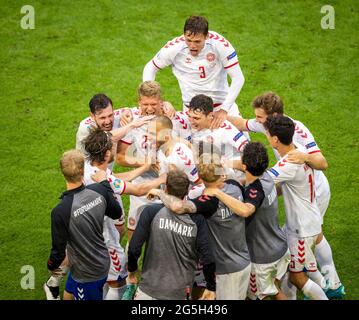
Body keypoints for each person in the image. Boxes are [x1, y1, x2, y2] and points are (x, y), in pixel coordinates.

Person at [228, 92, 344, 298]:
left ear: (273, 124)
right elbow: (243, 123)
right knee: (302, 266)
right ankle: (329, 286)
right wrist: (218, 115)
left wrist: (228, 168)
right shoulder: (286, 139)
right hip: (304, 208)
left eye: (260, 118)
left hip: (306, 212)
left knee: (297, 274)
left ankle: (331, 287)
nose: (257, 122)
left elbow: (264, 179)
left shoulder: (293, 153)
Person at [148, 153, 251, 300]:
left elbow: (178, 207)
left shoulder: (207, 201)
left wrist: (159, 192)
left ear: (201, 179)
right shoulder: (234, 185)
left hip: (227, 270)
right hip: (244, 260)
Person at [83, 128, 167, 300]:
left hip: (88, 232)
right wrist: (163, 179)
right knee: (117, 282)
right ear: (107, 154)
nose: (116, 148)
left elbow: (117, 177)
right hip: (105, 237)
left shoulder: (89, 169)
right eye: (113, 146)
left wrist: (144, 167)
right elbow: (137, 190)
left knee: (101, 278)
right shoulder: (104, 179)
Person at [204, 142, 290, 300]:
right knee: (274, 289)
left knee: (262, 296)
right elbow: (241, 166)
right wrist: (223, 164)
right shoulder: (267, 176)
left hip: (263, 256)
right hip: (279, 245)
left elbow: (245, 210)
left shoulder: (254, 191)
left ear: (245, 166)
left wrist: (217, 192)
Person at [117, 81, 191, 241]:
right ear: (139, 102)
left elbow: (188, 147)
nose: (149, 109)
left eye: (154, 104)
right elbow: (121, 157)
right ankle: (133, 265)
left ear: (161, 101)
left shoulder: (173, 118)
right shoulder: (131, 120)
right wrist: (145, 163)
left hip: (170, 188)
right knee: (134, 236)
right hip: (141, 187)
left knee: (169, 237)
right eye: (145, 104)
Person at [264, 115, 328, 300]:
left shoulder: (288, 163)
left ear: (275, 139)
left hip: (302, 228)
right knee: (288, 270)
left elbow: (261, 182)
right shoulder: (298, 150)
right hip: (307, 222)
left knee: (297, 276)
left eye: (268, 135)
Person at [126, 169, 216, 300]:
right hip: (179, 293)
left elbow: (134, 248)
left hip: (148, 290)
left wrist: (132, 273)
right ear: (186, 192)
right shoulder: (198, 220)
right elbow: (208, 258)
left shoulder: (150, 212)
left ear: (166, 188)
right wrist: (210, 286)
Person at [46, 150, 123, 300]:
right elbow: (116, 213)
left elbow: (58, 252)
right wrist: (105, 183)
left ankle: (51, 286)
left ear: (63, 173)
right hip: (100, 260)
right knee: (70, 290)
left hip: (87, 273)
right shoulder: (99, 190)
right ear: (83, 171)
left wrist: (51, 265)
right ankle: (52, 287)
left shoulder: (60, 211)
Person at [143, 15, 245, 127]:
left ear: (207, 36)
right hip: (192, 111)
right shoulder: (174, 48)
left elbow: (238, 78)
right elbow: (150, 67)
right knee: (196, 144)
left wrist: (224, 109)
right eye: (188, 40)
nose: (192, 46)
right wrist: (153, 98)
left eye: (197, 41)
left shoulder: (220, 45)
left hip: (221, 107)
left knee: (243, 142)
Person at [148, 115, 200, 185]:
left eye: (153, 134)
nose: (149, 138)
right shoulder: (161, 148)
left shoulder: (183, 157)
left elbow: (201, 184)